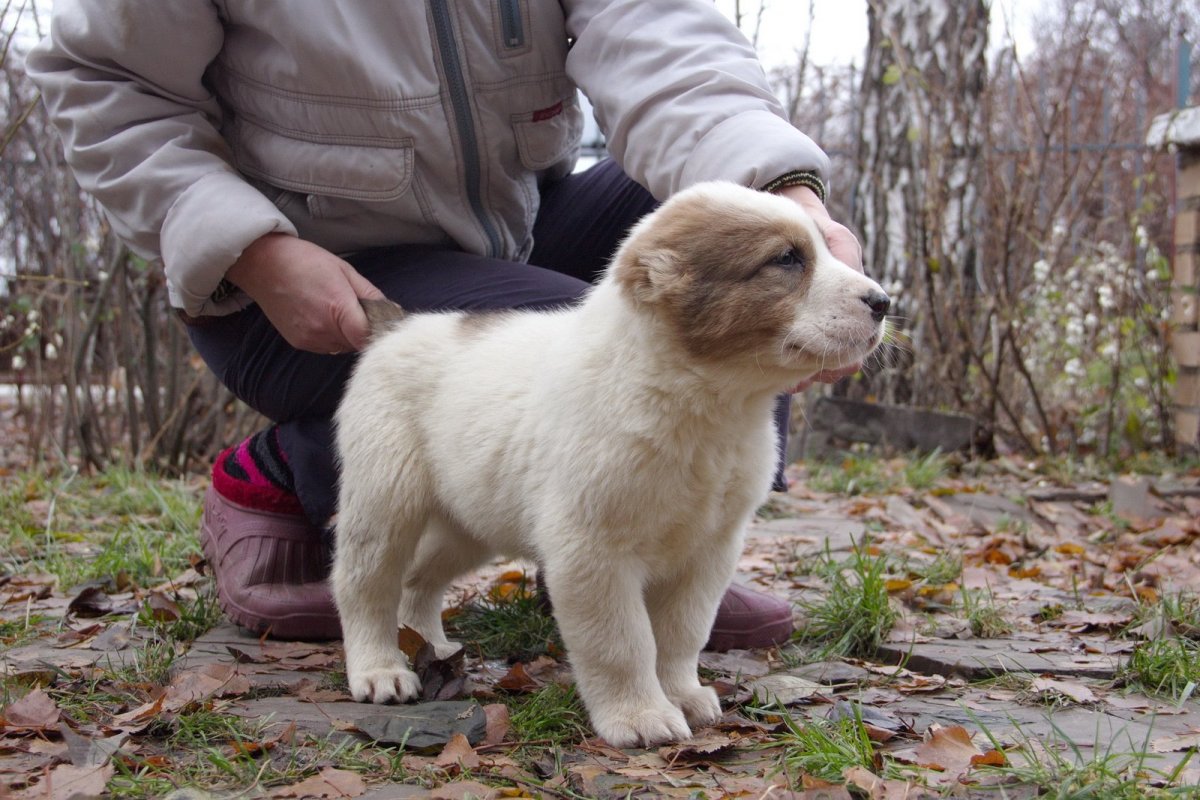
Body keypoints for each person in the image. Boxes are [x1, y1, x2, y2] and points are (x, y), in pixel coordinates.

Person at [27, 1, 863, 650]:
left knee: (725, 230)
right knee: (561, 351)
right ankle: (282, 469)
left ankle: (650, 559)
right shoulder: (264, 260)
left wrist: (783, 195)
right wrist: (251, 250)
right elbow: (105, 81)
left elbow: (670, 50)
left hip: (513, 227)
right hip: (296, 267)